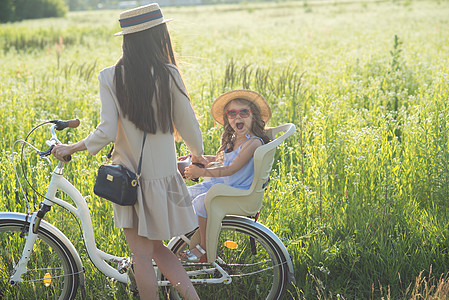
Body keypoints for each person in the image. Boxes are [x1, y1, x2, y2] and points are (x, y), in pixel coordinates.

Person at [52, 4, 204, 299]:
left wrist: (71, 147)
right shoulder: (169, 73)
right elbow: (189, 126)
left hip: (129, 181)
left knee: (142, 255)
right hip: (162, 180)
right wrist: (197, 154)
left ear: (127, 39)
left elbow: (106, 131)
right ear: (158, 36)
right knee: (157, 248)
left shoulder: (110, 76)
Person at [180, 89, 271, 262]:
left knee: (201, 202)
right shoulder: (234, 140)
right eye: (232, 113)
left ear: (254, 116)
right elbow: (223, 161)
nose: (238, 117)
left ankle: (204, 249)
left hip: (237, 191)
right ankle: (188, 235)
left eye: (244, 112)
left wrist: (201, 172)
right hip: (222, 186)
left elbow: (231, 169)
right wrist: (202, 159)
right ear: (227, 119)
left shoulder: (252, 142)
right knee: (184, 194)